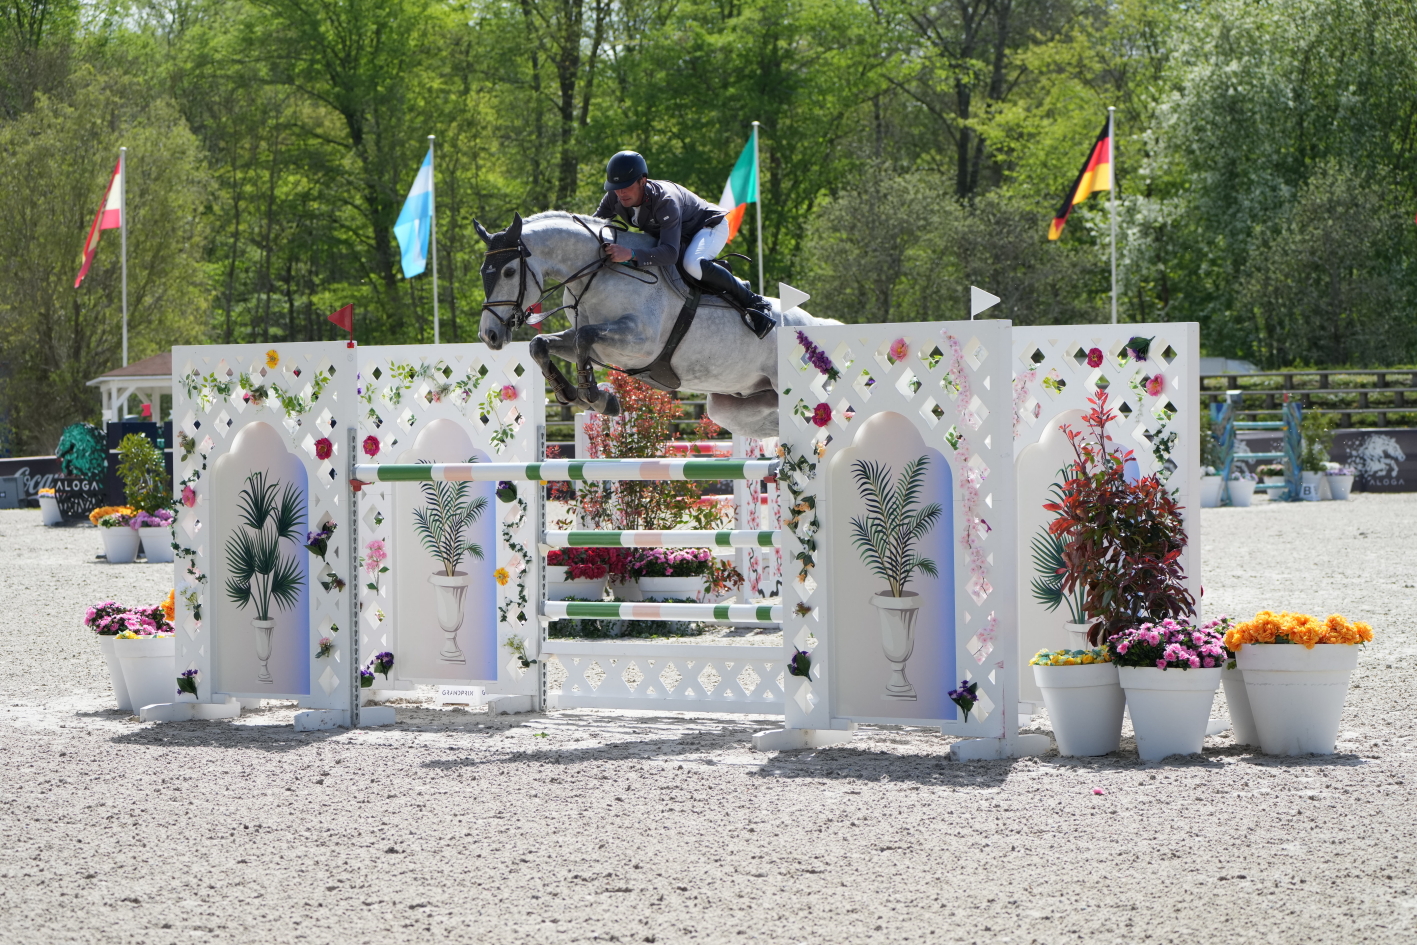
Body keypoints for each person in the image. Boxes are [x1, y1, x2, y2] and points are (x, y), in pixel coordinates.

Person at [592, 150, 775, 339]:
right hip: (678, 235)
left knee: (692, 264)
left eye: (626, 186)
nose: (620, 192)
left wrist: (631, 254)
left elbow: (670, 253)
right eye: (616, 187)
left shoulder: (665, 201)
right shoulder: (614, 197)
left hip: (707, 227)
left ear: (642, 181)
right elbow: (593, 227)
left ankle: (754, 302)